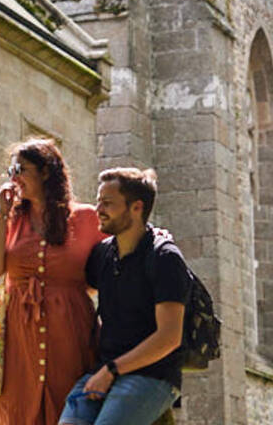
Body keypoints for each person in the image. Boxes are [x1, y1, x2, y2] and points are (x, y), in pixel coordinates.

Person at [0, 138, 103, 425]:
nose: (14, 177)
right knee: (13, 407)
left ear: (46, 172)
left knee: (66, 405)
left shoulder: (86, 219)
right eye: (11, 172)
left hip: (70, 333)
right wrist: (0, 214)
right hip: (17, 338)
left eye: (21, 169)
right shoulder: (11, 221)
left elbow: (108, 273)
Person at [61, 167, 188, 425]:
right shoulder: (102, 255)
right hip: (104, 371)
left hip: (154, 376)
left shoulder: (165, 258)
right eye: (98, 202)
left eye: (107, 203)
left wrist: (112, 370)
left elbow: (169, 337)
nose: (98, 210)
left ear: (136, 208)